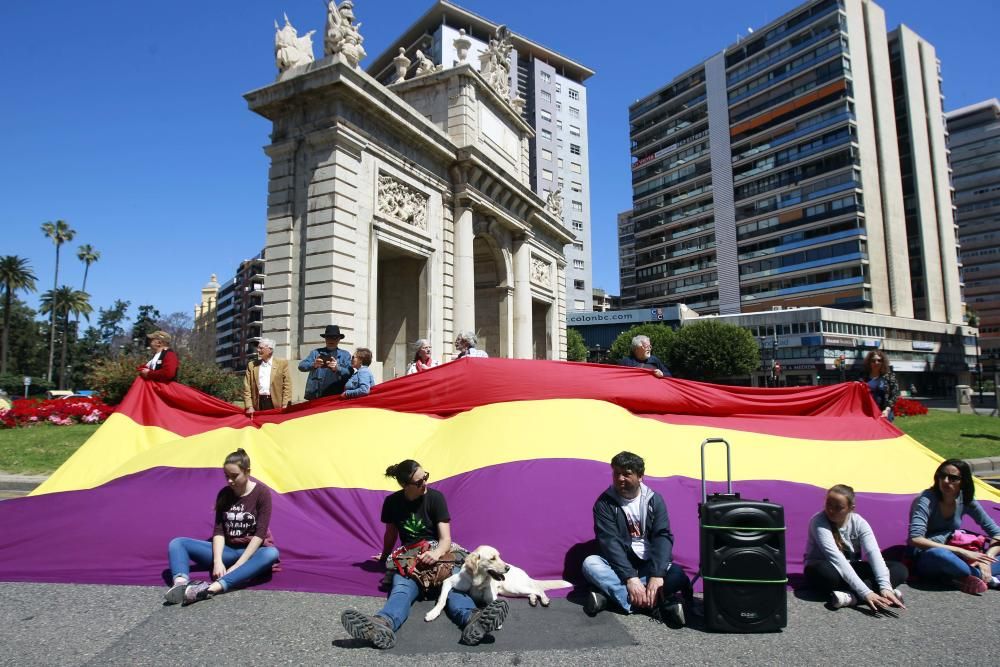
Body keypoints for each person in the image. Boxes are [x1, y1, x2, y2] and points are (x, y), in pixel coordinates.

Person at [340, 459, 508, 649]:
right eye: (419, 482)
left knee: (455, 588)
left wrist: (436, 553)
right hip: (411, 559)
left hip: (440, 556)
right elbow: (390, 533)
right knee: (401, 591)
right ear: (405, 485)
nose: (425, 483)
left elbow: (445, 538)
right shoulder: (392, 503)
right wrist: (385, 555)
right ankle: (381, 625)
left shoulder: (436, 498)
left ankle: (474, 620)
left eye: (426, 477)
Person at [582, 451, 689, 627]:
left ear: (640, 476)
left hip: (649, 564)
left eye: (626, 474)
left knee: (677, 574)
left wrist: (657, 574)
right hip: (620, 565)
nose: (620, 478)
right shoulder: (604, 503)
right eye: (616, 473)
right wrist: (630, 578)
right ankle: (657, 606)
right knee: (590, 564)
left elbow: (663, 536)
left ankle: (609, 599)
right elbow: (610, 542)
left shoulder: (655, 500)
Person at [164, 448, 280, 605]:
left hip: (252, 552)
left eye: (234, 476)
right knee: (177, 543)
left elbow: (260, 534)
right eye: (227, 476)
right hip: (229, 551)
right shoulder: (224, 494)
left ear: (247, 472)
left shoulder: (262, 493)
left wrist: (239, 566)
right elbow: (219, 531)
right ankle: (180, 584)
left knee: (271, 553)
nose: (230, 481)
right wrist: (218, 561)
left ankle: (211, 589)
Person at [803, 484, 907, 611]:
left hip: (851, 568)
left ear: (850, 508)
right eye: (828, 504)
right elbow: (837, 559)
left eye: (838, 508)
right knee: (826, 574)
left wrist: (885, 586)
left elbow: (873, 552)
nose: (830, 510)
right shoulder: (819, 522)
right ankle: (869, 593)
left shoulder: (859, 523)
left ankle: (852, 597)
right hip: (827, 568)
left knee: (899, 569)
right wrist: (865, 592)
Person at [908, 458, 1000, 594]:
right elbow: (915, 539)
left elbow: (996, 533)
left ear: (963, 482)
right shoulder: (926, 499)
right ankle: (988, 578)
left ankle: (962, 577)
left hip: (958, 558)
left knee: (984, 558)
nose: (945, 481)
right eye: (942, 475)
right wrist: (962, 552)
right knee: (939, 554)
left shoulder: (966, 500)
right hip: (929, 557)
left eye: (953, 478)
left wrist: (986, 559)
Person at [298, 325, 353, 399]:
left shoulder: (345, 355)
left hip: (338, 395)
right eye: (329, 337)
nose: (331, 340)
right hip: (317, 394)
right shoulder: (316, 353)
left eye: (334, 338)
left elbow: (350, 372)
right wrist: (314, 364)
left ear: (339, 339)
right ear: (325, 339)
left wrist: (337, 368)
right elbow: (301, 366)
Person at [243, 338, 292, 415]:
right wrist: (249, 406)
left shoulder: (282, 363)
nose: (258, 350)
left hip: (276, 404)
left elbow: (287, 386)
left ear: (270, 350)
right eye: (258, 348)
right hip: (258, 404)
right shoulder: (251, 365)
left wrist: (285, 404)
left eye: (261, 348)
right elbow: (247, 388)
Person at [861, 351, 898, 421]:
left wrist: (887, 410)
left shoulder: (890, 376)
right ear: (869, 362)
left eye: (879, 360)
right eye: (873, 361)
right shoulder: (863, 377)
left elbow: (894, 395)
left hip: (884, 412)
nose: (876, 363)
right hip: (868, 413)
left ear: (883, 362)